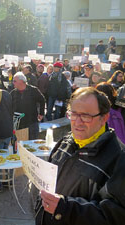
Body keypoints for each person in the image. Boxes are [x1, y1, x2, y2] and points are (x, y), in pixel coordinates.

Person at [36, 87, 125, 225]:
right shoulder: (66, 141)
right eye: (73, 114)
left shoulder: (119, 159)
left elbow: (117, 216)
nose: (77, 122)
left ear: (104, 118)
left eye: (86, 116)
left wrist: (64, 209)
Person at [10, 72, 45, 139]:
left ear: (21, 81)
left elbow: (42, 100)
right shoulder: (13, 93)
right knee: (20, 143)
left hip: (31, 121)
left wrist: (41, 113)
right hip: (19, 123)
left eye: (14, 81)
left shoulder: (33, 90)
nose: (13, 83)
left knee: (32, 142)